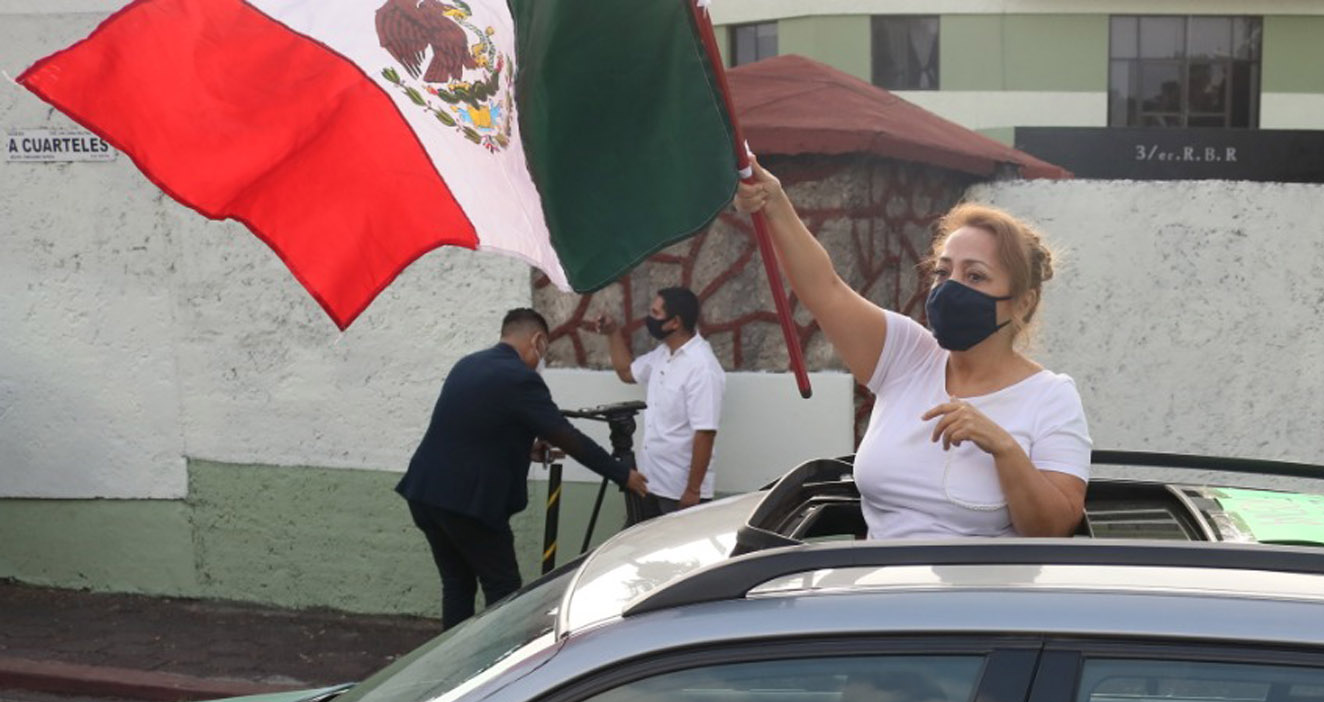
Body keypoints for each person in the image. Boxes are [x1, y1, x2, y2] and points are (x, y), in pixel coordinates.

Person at [734, 158, 1090, 539]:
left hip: (982, 594)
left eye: (975, 276)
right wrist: (774, 203)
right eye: (943, 271)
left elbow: (1054, 528)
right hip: (880, 588)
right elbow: (826, 289)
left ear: (1021, 302)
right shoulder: (907, 354)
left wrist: (1004, 448)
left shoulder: (1051, 397)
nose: (951, 287)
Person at [397, 308, 649, 628]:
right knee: (504, 591)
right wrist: (622, 474)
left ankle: (453, 668)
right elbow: (567, 437)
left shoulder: (469, 363)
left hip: (425, 493)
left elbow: (474, 429)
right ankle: (504, 670)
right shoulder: (520, 378)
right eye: (545, 350)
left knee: (457, 584)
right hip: (468, 504)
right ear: (538, 341)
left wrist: (525, 448)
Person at [590, 286, 727, 517]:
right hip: (650, 482)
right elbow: (626, 372)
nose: (649, 319)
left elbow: (705, 433)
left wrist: (692, 491)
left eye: (655, 313)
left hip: (680, 492)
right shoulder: (663, 354)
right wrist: (613, 333)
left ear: (674, 322)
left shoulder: (702, 367)